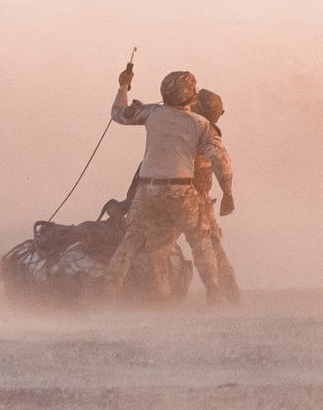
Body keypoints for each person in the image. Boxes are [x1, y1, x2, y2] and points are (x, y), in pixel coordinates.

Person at [101, 62, 236, 305]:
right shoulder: (201, 124)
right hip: (181, 191)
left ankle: (108, 296)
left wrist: (123, 86)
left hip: (147, 190)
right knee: (201, 241)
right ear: (191, 96)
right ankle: (214, 295)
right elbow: (221, 161)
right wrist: (228, 193)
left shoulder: (151, 113)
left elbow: (118, 113)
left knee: (131, 242)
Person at [188, 89, 240, 303]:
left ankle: (219, 295)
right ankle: (230, 297)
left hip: (189, 197)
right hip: (198, 198)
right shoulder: (204, 131)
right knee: (212, 247)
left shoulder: (193, 128)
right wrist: (228, 193)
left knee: (207, 246)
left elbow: (220, 162)